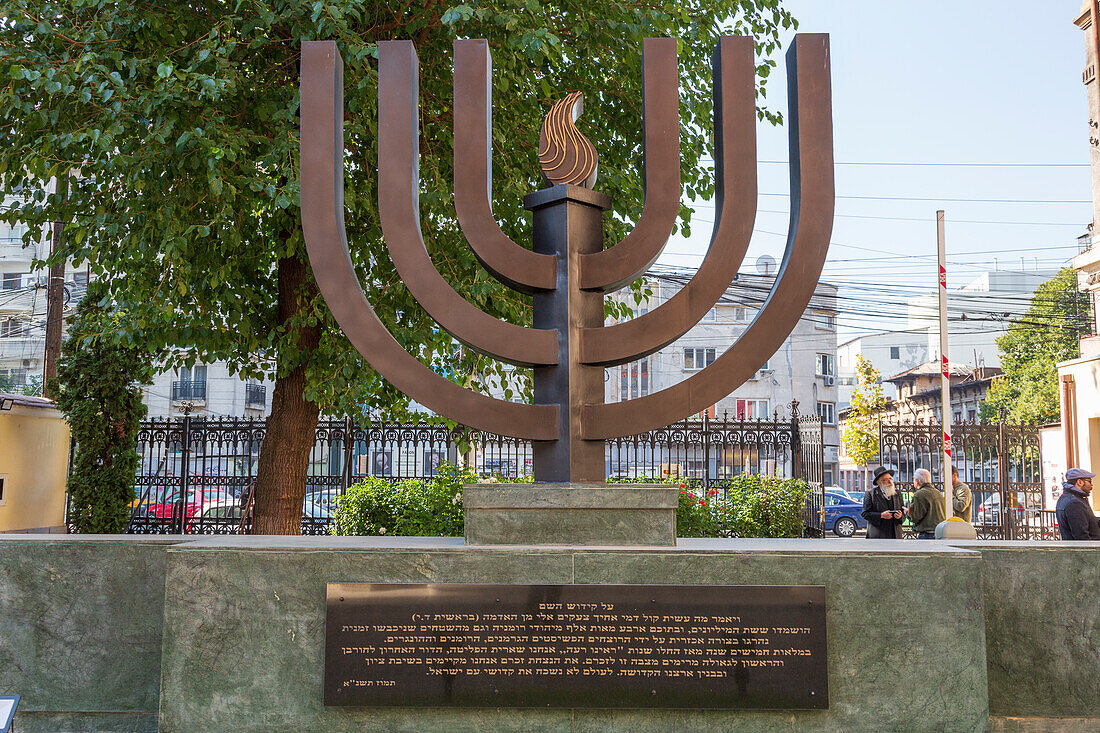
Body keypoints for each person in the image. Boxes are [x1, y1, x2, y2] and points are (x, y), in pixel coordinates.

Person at [1055, 467, 1100, 540]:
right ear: (1079, 482)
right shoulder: (1075, 503)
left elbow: (1086, 522)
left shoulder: (1068, 498)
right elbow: (1081, 536)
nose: (1091, 485)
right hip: (1088, 550)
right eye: (1089, 481)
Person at [862, 466, 905, 539]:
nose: (890, 482)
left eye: (890, 479)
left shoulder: (897, 493)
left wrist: (900, 516)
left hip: (895, 535)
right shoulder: (870, 494)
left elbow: (903, 511)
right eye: (886, 480)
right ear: (879, 482)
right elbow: (865, 514)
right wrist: (881, 515)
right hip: (878, 535)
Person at [908, 468, 946, 539]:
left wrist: (908, 513)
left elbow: (916, 517)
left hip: (926, 534)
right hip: (938, 532)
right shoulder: (937, 492)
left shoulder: (919, 494)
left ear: (917, 481)